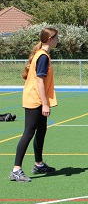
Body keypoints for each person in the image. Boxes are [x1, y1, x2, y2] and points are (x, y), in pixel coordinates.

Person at [9, 27, 59, 182]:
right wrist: (45, 103)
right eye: (57, 38)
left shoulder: (42, 55)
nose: (58, 41)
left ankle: (38, 164)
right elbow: (39, 81)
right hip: (35, 99)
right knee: (29, 132)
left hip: (37, 98)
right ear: (50, 39)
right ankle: (16, 169)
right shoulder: (42, 56)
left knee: (41, 130)